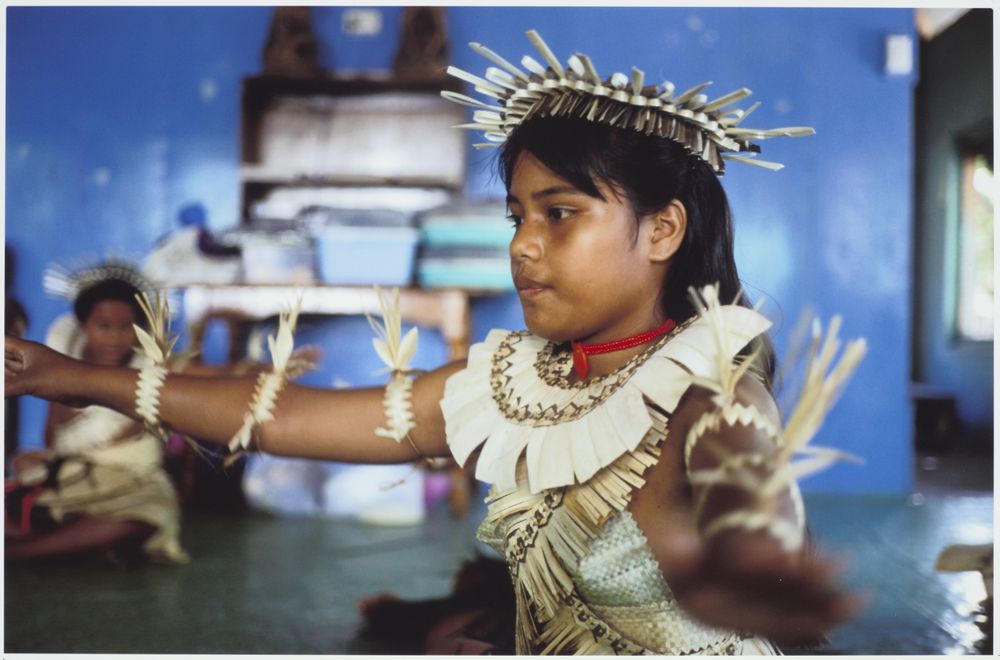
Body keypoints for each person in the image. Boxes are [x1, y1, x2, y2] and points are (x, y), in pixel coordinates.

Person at [6, 31, 866, 653]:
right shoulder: (515, 382)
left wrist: (746, 569)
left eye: (560, 213)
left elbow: (771, 561)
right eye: (517, 216)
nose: (523, 244)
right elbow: (283, 416)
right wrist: (76, 377)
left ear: (663, 229)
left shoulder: (712, 399)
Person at [5, 260, 189, 564]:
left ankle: (23, 551)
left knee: (152, 509)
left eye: (125, 327)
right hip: (76, 471)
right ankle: (82, 543)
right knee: (23, 467)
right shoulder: (62, 363)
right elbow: (52, 438)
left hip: (131, 478)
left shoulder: (150, 370)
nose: (115, 337)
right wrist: (49, 461)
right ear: (83, 325)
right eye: (103, 326)